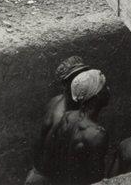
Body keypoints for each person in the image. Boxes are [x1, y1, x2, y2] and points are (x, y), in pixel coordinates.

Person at [25, 56, 91, 185]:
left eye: (83, 75)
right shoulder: (69, 116)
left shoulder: (56, 100)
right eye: (76, 77)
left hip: (37, 174)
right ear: (65, 83)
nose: (81, 79)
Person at [41, 69, 110, 185]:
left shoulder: (67, 117)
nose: (108, 89)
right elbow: (96, 180)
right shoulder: (97, 135)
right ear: (96, 96)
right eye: (105, 86)